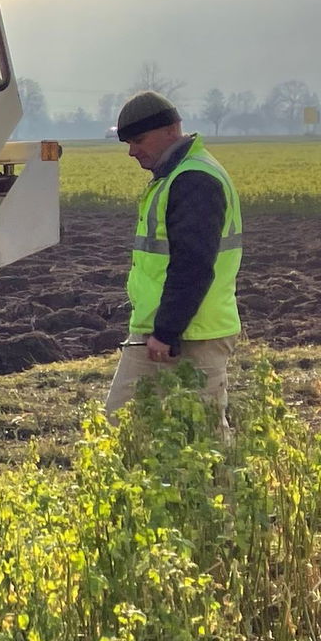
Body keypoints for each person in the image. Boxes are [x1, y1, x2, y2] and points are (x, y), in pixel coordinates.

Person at [104, 91, 242, 417]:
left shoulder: (194, 179)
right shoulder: (173, 177)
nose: (131, 152)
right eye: (127, 143)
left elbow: (193, 264)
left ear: (171, 130)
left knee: (203, 437)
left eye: (138, 140)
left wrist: (167, 331)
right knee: (121, 424)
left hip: (192, 335)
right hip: (159, 330)